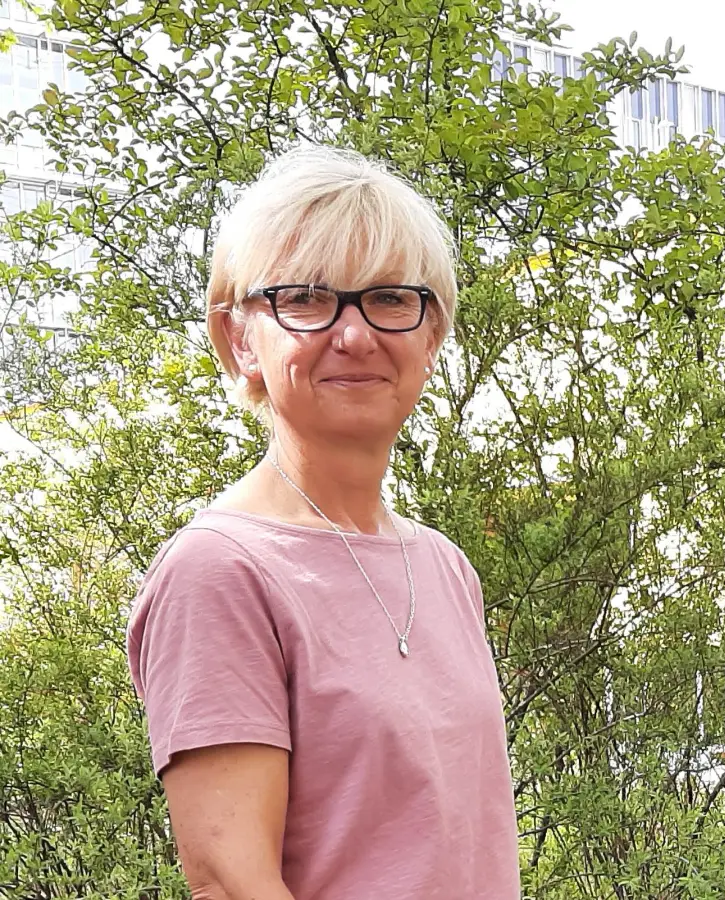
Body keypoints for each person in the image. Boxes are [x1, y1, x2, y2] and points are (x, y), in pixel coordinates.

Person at [126, 145, 520, 899]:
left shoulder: (442, 565)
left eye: (391, 299)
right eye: (305, 299)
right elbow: (231, 881)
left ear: (430, 337)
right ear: (240, 340)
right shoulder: (222, 571)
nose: (354, 333)